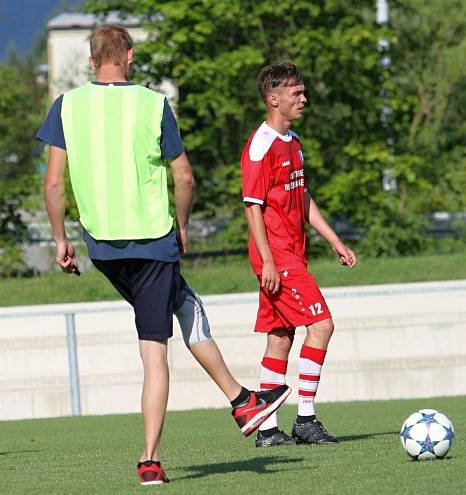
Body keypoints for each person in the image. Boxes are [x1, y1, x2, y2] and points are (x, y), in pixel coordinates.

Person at [38, 25, 290, 485]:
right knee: (155, 351)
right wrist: (185, 224)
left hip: (103, 247)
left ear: (93, 61)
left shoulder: (66, 105)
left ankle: (243, 401)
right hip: (152, 241)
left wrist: (60, 240)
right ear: (130, 56)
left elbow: (53, 182)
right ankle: (150, 459)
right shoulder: (153, 104)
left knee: (185, 303)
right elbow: (185, 175)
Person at [239, 61, 357, 448]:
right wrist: (269, 260)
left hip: (293, 255)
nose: (304, 98)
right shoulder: (260, 147)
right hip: (278, 258)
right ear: (274, 99)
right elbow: (252, 206)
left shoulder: (293, 142)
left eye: (303, 91)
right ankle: (305, 418)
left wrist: (334, 240)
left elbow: (301, 197)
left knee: (279, 338)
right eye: (296, 93)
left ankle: (269, 431)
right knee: (322, 325)